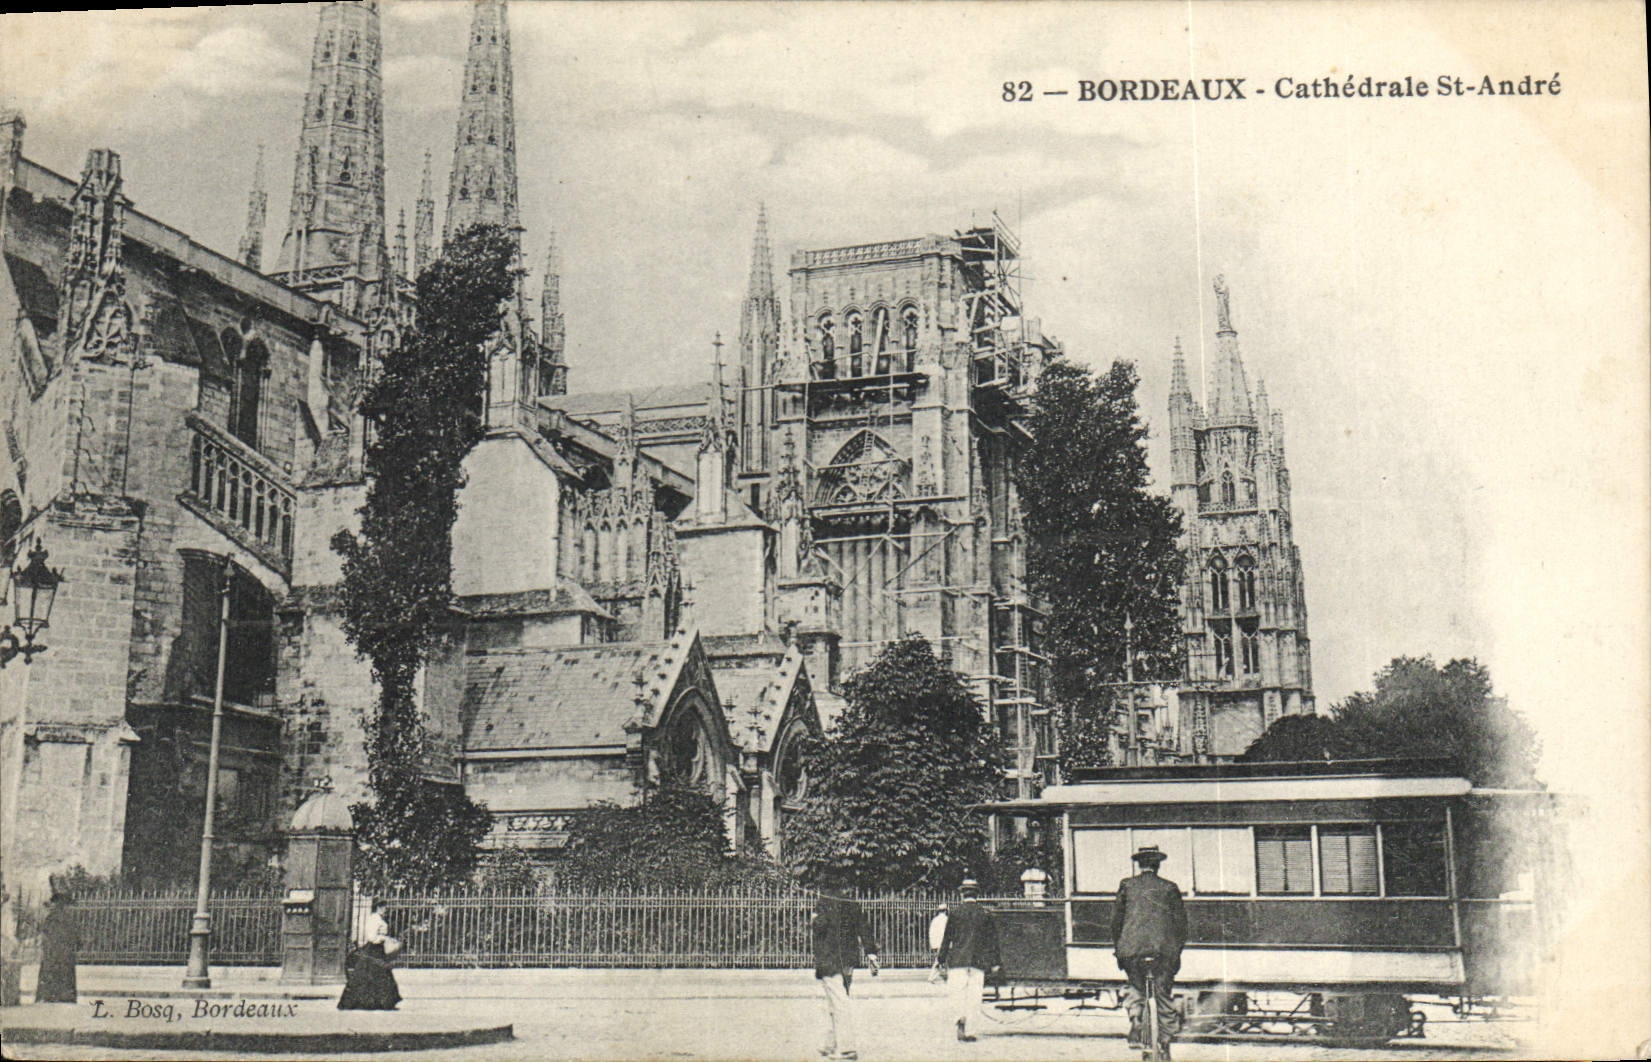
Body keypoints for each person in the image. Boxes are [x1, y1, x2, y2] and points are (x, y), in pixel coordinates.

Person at [1112, 846, 1188, 1058]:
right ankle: (1164, 1043)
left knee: (1136, 988)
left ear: (1139, 864)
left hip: (1132, 952)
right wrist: (1176, 951)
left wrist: (1119, 949)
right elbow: (1181, 926)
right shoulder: (1170, 887)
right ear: (1158, 865)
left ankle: (1137, 1018)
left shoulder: (1126, 885)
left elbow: (1116, 923)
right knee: (1162, 993)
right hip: (1163, 953)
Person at [811, 887, 879, 1061]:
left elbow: (819, 929)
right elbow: (865, 928)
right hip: (847, 961)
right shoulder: (852, 904)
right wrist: (871, 953)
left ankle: (848, 1048)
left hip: (830, 961)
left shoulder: (823, 904)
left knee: (839, 1002)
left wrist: (814, 919)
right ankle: (829, 1044)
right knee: (839, 998)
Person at [936, 878, 998, 1042]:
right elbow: (992, 941)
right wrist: (995, 962)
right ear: (977, 893)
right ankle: (970, 1030)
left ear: (962, 893)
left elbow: (946, 939)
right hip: (978, 961)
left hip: (957, 960)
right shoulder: (985, 913)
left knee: (958, 993)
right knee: (974, 996)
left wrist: (941, 960)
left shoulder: (955, 913)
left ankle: (959, 1020)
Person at [338, 897, 401, 1011]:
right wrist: (384, 938)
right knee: (370, 975)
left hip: (378, 950)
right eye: (383, 907)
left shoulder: (378, 918)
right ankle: (367, 1002)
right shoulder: (374, 919)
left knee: (380, 975)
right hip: (373, 950)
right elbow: (372, 937)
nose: (385, 909)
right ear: (378, 907)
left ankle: (382, 1002)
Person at [35, 891, 80, 1003]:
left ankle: (49, 995)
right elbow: (75, 935)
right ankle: (65, 996)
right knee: (64, 973)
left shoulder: (51, 917)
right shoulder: (67, 918)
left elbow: (45, 934)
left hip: (53, 953)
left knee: (51, 972)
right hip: (64, 953)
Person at [926, 904, 948, 984]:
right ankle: (931, 977)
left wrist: (933, 944)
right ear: (946, 910)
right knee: (940, 961)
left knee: (942, 961)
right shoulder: (946, 920)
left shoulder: (934, 920)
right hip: (944, 944)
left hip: (936, 943)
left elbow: (931, 933)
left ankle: (948, 978)